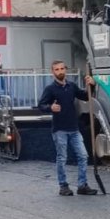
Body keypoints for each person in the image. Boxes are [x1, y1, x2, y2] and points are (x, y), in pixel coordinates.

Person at [37, 60, 97, 196]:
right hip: (60, 129)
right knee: (62, 157)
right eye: (57, 69)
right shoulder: (50, 89)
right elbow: (41, 105)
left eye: (62, 69)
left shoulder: (71, 86)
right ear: (53, 72)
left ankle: (82, 185)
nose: (60, 71)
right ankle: (63, 186)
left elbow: (85, 96)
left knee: (83, 155)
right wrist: (50, 107)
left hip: (74, 128)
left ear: (66, 70)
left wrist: (91, 86)